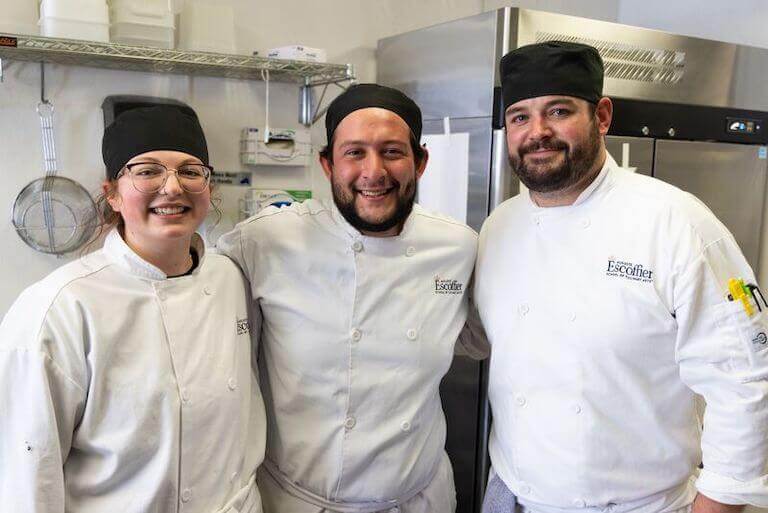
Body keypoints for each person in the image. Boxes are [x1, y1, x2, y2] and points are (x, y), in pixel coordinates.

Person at [475, 41, 768, 513]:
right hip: (512, 494)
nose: (538, 132)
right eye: (520, 117)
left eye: (559, 111)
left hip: (640, 505)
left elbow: (746, 377)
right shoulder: (498, 227)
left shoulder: (678, 223)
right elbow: (484, 338)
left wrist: (718, 503)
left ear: (603, 116)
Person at [218, 83, 488, 513]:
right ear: (327, 164)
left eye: (393, 152)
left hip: (417, 499)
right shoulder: (265, 242)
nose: (374, 171)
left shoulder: (457, 246)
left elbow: (479, 337)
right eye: (355, 152)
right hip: (301, 501)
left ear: (420, 162)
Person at [0, 105, 266, 513]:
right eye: (147, 171)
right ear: (112, 193)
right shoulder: (59, 308)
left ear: (208, 188)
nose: (173, 187)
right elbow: (27, 473)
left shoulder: (231, 280)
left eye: (191, 171)